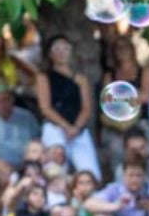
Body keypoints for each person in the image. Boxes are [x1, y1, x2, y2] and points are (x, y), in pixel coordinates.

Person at [34, 36, 101, 178]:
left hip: (77, 129)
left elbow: (86, 108)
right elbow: (45, 107)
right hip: (55, 127)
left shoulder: (81, 79)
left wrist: (76, 127)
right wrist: (65, 126)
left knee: (90, 172)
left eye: (65, 48)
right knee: (55, 170)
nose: (61, 52)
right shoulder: (44, 77)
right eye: (57, 49)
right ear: (50, 54)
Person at [0, 77, 40, 169]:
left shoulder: (26, 116)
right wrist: (1, 165)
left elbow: (37, 140)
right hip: (0, 168)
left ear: (12, 99)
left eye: (6, 100)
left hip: (30, 165)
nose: (3, 105)